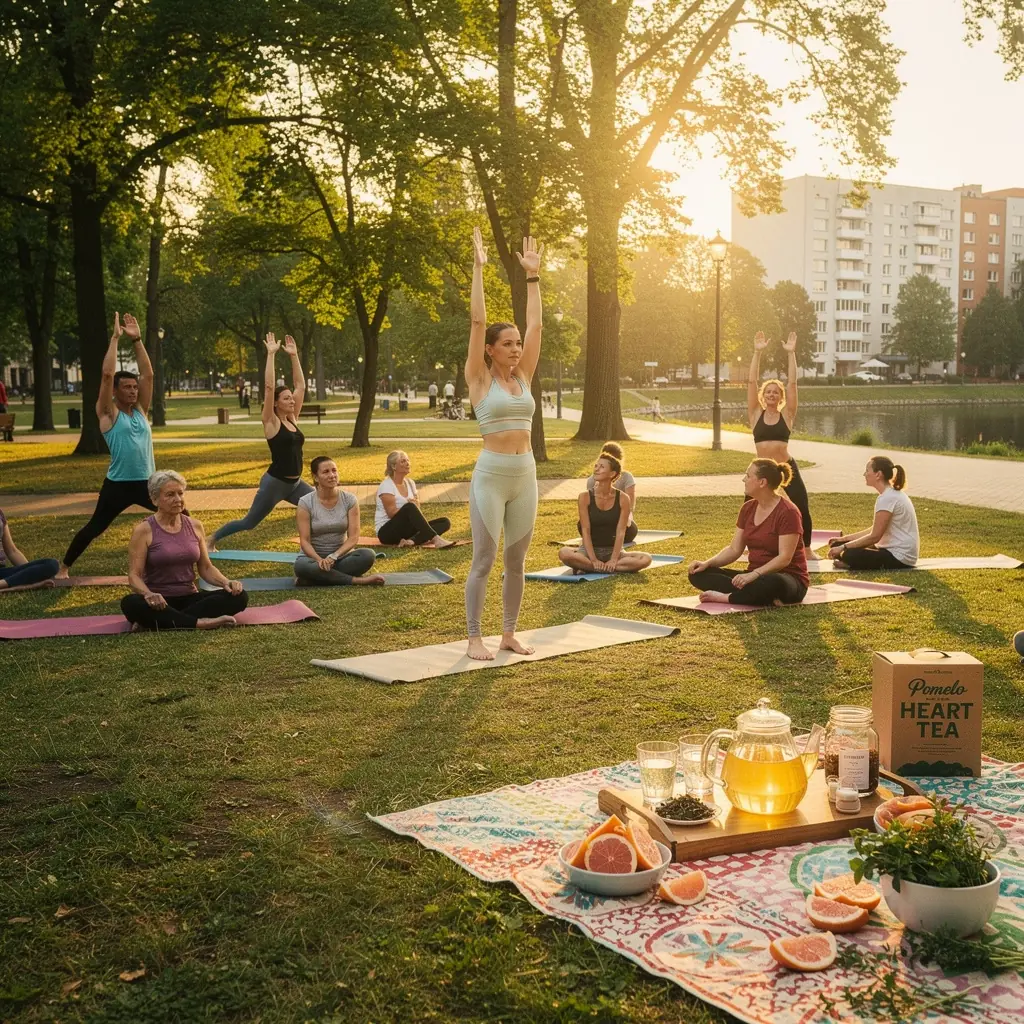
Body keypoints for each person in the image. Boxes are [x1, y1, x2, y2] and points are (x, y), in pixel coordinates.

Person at [464, 227, 543, 660]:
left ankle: (508, 633)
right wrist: (478, 268)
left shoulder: (524, 376)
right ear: (490, 350)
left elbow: (536, 324)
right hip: (491, 477)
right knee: (483, 560)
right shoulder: (478, 381)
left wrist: (533, 278)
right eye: (507, 344)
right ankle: (475, 636)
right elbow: (477, 320)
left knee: (517, 563)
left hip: (525, 475)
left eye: (517, 344)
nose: (516, 348)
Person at [58, 313, 156, 577]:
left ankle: (192, 563)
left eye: (135, 387)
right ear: (115, 391)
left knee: (183, 518)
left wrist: (137, 339)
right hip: (118, 485)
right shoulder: (108, 414)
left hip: (148, 482)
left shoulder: (140, 412)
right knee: (95, 527)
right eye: (127, 387)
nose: (134, 391)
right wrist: (115, 338)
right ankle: (64, 568)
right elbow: (106, 374)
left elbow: (148, 374)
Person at [211, 334, 312, 548]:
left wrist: (294, 356)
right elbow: (268, 387)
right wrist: (271, 354)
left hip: (295, 484)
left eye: (290, 398)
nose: (291, 399)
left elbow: (300, 386)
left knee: (319, 504)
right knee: (249, 522)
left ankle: (318, 545)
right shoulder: (271, 422)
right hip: (274, 484)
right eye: (286, 398)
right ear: (275, 404)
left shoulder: (293, 418)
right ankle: (211, 539)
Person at [121, 471, 248, 631]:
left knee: (239, 597)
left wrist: (226, 582)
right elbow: (134, 575)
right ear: (155, 499)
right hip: (158, 600)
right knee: (130, 603)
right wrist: (148, 594)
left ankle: (158, 621)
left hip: (190, 597)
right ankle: (201, 623)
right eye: (170, 495)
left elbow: (206, 568)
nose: (178, 499)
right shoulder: (143, 530)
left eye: (181, 493)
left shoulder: (195, 526)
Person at [688, 459, 809, 606]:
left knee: (770, 582)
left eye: (748, 475)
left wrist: (754, 574)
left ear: (762, 482)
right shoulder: (747, 508)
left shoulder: (788, 512)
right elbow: (734, 549)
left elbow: (784, 558)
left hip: (787, 578)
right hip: (753, 578)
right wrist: (707, 563)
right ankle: (755, 595)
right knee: (698, 574)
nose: (744, 479)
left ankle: (726, 597)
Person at [747, 331, 813, 546]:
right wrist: (757, 353)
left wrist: (791, 354)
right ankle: (749, 545)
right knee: (750, 508)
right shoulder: (756, 414)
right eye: (768, 392)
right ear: (763, 396)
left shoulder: (787, 415)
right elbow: (751, 381)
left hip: (785, 467)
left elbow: (793, 383)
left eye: (776, 392)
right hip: (761, 469)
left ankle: (807, 548)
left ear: (781, 397)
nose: (772, 395)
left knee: (801, 504)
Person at [558, 449, 652, 574]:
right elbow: (585, 531)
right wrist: (593, 559)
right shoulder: (584, 497)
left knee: (646, 558)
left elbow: (621, 532)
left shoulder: (623, 498)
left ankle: (589, 567)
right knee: (564, 553)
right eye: (596, 466)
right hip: (588, 551)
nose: (596, 469)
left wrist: (613, 559)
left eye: (602, 467)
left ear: (612, 473)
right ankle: (597, 566)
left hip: (614, 551)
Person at [295, 456, 384, 586]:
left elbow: (353, 537)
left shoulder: (349, 500)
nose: (332, 475)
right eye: (326, 472)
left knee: (368, 555)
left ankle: (315, 578)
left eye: (334, 471)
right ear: (315, 477)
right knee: (301, 566)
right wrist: (320, 560)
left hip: (341, 558)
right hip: (313, 560)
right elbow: (305, 541)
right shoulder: (305, 502)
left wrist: (334, 556)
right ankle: (357, 580)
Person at [827, 457, 919, 570]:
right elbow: (874, 530)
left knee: (849, 554)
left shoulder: (888, 498)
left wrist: (844, 547)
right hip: (887, 550)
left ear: (878, 474)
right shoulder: (889, 495)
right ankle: (848, 559)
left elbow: (874, 537)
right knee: (836, 545)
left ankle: (849, 563)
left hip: (899, 557)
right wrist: (843, 540)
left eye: (867, 471)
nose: (864, 474)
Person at [375, 450, 454, 548]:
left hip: (407, 530)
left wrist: (416, 506)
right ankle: (436, 540)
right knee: (409, 507)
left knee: (445, 522)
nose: (408, 463)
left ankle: (411, 541)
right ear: (394, 466)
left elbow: (416, 512)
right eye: (403, 461)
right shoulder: (386, 486)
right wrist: (410, 507)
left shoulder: (410, 483)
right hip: (387, 532)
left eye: (408, 460)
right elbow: (391, 514)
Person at [585, 440, 638, 541]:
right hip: (599, 523)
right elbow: (589, 508)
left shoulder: (626, 477)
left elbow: (630, 506)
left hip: (621, 521)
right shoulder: (592, 480)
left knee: (631, 529)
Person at [0, 509, 59, 591]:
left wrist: (29, 571)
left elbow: (12, 551)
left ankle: (3, 584)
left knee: (52, 564)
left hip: (2, 573)